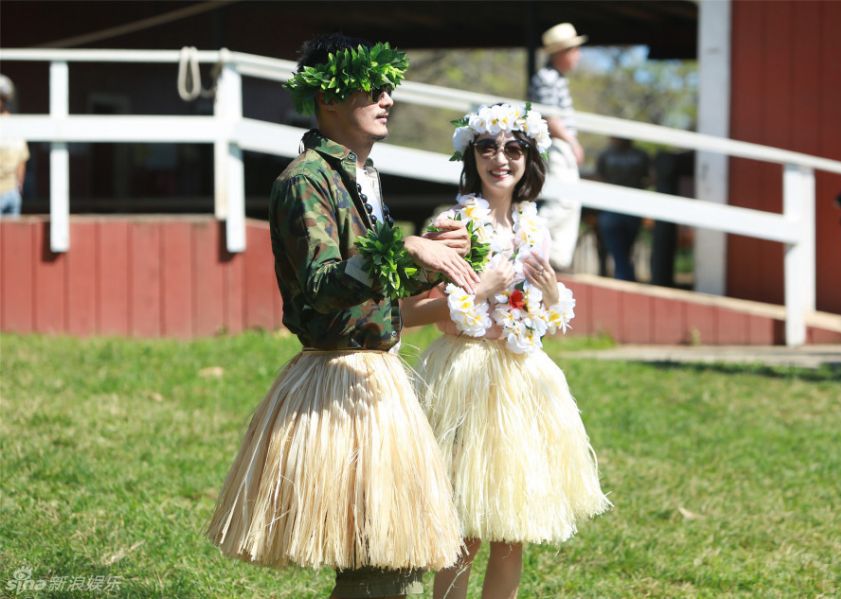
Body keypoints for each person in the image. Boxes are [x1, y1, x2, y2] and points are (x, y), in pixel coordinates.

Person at [206, 34, 480, 598]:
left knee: (392, 561)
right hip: (337, 382)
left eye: (389, 88)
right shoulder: (308, 180)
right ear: (329, 99)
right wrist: (406, 248)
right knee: (373, 563)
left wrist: (438, 255)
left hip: (377, 381)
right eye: (372, 88)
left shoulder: (362, 175)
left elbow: (379, 286)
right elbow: (323, 288)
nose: (388, 99)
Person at [402, 104, 612, 599]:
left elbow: (541, 315)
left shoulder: (533, 228)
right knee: (464, 528)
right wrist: (475, 292)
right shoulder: (453, 223)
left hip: (522, 381)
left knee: (512, 529)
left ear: (529, 160)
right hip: (465, 377)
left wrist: (554, 294)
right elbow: (406, 312)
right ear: (471, 156)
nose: (501, 159)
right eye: (487, 148)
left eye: (514, 149)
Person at [528, 22, 587, 271]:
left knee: (571, 201)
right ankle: (528, 239)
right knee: (563, 201)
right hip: (556, 146)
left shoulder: (556, 78)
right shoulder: (547, 78)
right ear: (561, 52)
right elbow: (550, 118)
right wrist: (572, 142)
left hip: (561, 146)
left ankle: (556, 258)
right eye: (573, 50)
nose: (577, 55)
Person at [595, 137, 651, 281]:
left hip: (632, 207)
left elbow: (651, 177)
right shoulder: (607, 155)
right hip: (612, 208)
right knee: (618, 248)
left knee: (624, 248)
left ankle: (624, 275)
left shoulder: (640, 155)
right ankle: (625, 276)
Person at [0, 75, 29, 218]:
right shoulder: (15, 125)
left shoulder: (14, 126)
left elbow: (22, 161)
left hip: (11, 190)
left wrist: (18, 187)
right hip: (12, 190)